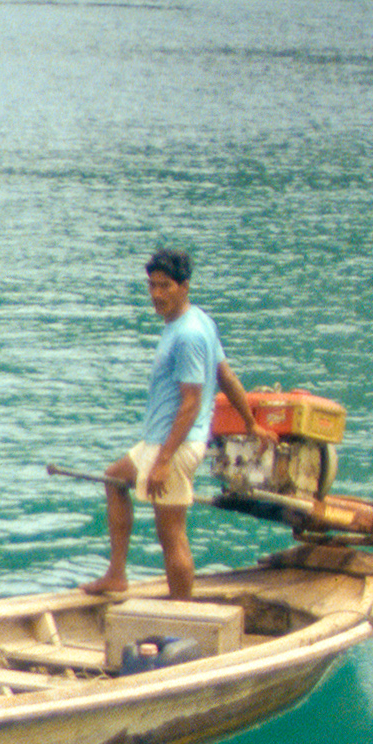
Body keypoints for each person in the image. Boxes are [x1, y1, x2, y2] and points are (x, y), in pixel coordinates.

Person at [81, 247, 268, 600]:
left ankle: (182, 611)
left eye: (165, 286)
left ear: (184, 286)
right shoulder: (197, 321)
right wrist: (250, 422)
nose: (156, 294)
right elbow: (225, 376)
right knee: (115, 478)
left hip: (176, 445)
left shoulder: (189, 335)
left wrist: (164, 460)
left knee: (171, 534)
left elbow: (191, 402)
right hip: (160, 440)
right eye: (152, 286)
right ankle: (116, 574)